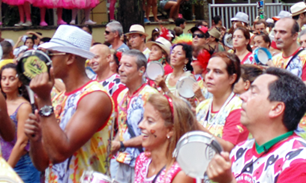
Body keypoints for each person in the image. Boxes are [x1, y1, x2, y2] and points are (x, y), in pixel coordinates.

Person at [23, 25, 114, 183]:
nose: (47, 61)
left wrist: (44, 101)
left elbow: (59, 154)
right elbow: (43, 163)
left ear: (70, 57)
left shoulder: (95, 97)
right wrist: (36, 140)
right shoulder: (58, 98)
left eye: (51, 54)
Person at [206, 67, 306, 183]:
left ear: (276, 108)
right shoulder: (240, 150)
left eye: (253, 92)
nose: (242, 96)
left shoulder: (301, 162)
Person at [269, 18, 306, 141]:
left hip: (301, 125)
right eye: (275, 32)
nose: (277, 36)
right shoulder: (275, 60)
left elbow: (305, 95)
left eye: (282, 32)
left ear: (295, 36)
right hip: (278, 122)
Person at [111, 50, 158, 183]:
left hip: (146, 161)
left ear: (141, 70)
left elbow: (154, 133)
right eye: (120, 65)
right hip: (123, 160)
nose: (121, 69)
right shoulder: (122, 95)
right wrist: (114, 146)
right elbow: (122, 128)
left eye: (127, 65)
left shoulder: (151, 96)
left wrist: (121, 144)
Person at [134, 94, 197, 183]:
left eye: (150, 121)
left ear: (170, 130)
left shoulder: (181, 174)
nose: (140, 125)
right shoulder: (142, 160)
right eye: (143, 119)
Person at [196, 52, 249, 152]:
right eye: (208, 70)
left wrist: (195, 125)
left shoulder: (239, 108)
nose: (209, 76)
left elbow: (229, 148)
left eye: (217, 72)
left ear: (232, 78)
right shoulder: (202, 106)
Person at [0, 64, 40, 183]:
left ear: (20, 82)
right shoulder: (0, 103)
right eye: (3, 78)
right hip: (2, 161)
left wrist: (5, 170)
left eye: (11, 78)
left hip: (22, 165)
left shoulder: (24, 106)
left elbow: (22, 142)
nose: (6, 82)